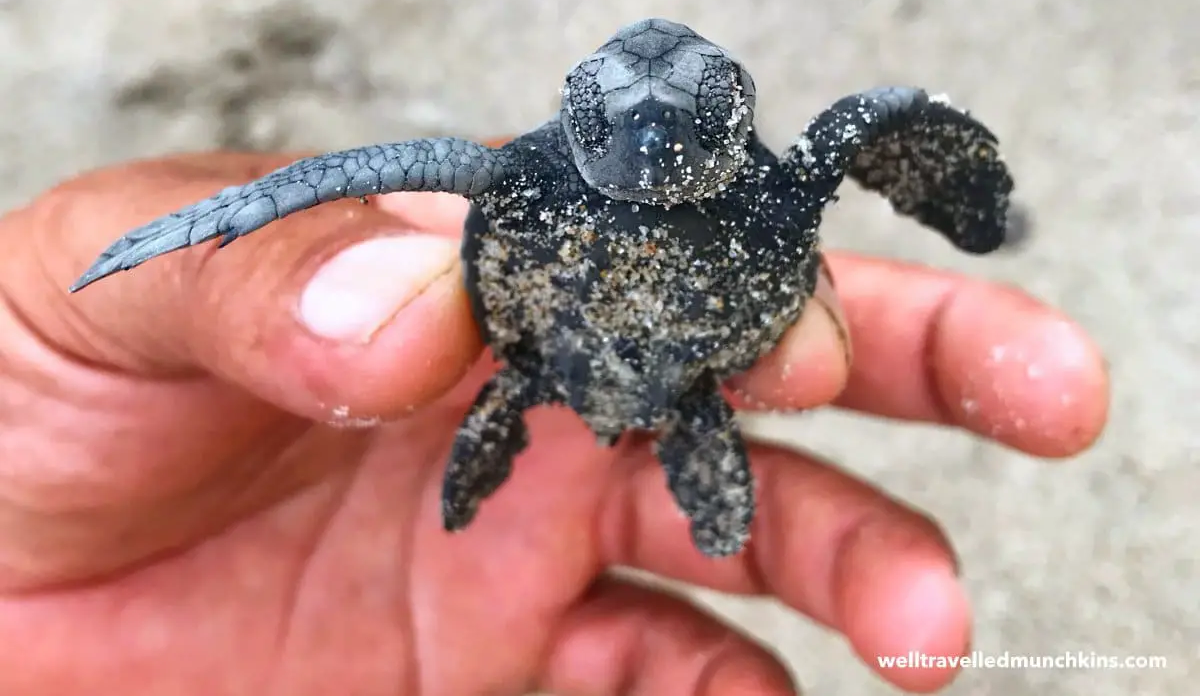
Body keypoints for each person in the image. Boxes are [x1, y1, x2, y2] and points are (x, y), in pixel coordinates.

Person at [0, 150, 1109, 695]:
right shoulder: (515, 178)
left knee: (692, 447)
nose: (649, 135)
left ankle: (659, 440)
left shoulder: (763, 183)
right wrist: (215, 231)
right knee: (487, 382)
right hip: (547, 359)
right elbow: (348, 177)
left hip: (663, 369)